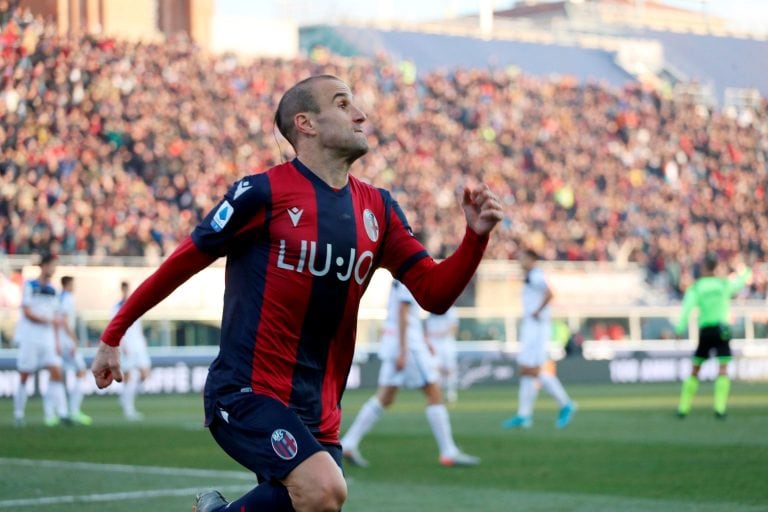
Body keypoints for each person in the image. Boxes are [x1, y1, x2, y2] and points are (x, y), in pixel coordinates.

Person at [91, 74, 503, 512]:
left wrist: (474, 239)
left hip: (320, 408)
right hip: (245, 392)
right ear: (305, 124)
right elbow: (184, 261)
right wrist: (113, 335)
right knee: (324, 489)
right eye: (343, 104)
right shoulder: (263, 193)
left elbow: (434, 294)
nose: (361, 114)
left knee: (314, 500)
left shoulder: (378, 208)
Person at [340, 281, 478, 468]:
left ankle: (349, 443)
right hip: (408, 347)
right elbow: (403, 312)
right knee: (434, 393)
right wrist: (405, 350)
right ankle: (448, 452)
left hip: (393, 342)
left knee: (385, 397)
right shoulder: (407, 274)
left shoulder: (399, 275)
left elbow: (404, 313)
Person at [502, 248, 576, 430]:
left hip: (536, 327)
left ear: (532, 259)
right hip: (531, 326)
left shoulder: (536, 274)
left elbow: (550, 293)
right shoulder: (529, 276)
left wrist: (537, 311)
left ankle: (565, 403)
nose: (520, 261)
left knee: (532, 369)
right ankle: (524, 415)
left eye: (523, 258)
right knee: (527, 370)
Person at [675, 253, 752, 419]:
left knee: (695, 369)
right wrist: (745, 270)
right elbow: (740, 281)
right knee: (723, 369)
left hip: (706, 330)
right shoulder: (723, 284)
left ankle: (683, 408)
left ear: (703, 268)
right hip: (722, 330)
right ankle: (720, 409)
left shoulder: (697, 287)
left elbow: (686, 308)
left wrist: (680, 328)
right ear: (716, 268)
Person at [12, 253, 69, 427]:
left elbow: (57, 317)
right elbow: (27, 313)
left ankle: (62, 413)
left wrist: (58, 341)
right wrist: (48, 321)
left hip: (48, 339)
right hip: (30, 338)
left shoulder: (53, 291)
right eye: (51, 265)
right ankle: (19, 413)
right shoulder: (30, 285)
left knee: (56, 372)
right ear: (43, 266)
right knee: (24, 375)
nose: (53, 269)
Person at [112, 281, 152, 421]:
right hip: (127, 345)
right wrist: (122, 344)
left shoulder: (136, 303)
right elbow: (116, 326)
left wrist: (143, 340)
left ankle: (125, 398)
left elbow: (138, 325)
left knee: (144, 375)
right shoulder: (117, 307)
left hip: (139, 345)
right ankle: (129, 409)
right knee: (128, 378)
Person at [57, 275, 93, 425]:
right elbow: (65, 321)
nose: (74, 286)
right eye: (72, 284)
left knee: (60, 376)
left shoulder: (59, 297)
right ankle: (74, 410)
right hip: (67, 342)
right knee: (81, 371)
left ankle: (62, 411)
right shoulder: (67, 298)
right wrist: (73, 339)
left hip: (60, 341)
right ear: (67, 284)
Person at [425, 305, 460, 403]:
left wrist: (442, 334)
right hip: (434, 344)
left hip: (447, 344)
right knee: (435, 370)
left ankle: (450, 394)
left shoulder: (451, 310)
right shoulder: (431, 311)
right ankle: (437, 394)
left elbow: (454, 327)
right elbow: (427, 330)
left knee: (449, 370)